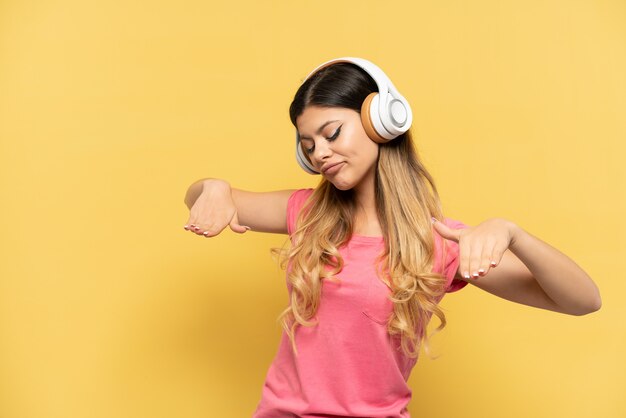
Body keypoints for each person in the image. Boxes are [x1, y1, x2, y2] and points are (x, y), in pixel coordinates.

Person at [182, 57, 602, 418]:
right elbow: (197, 196)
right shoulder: (307, 213)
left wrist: (513, 234)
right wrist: (215, 187)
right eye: (308, 145)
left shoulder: (437, 242)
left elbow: (583, 300)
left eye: (331, 134)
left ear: (381, 121)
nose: (319, 154)